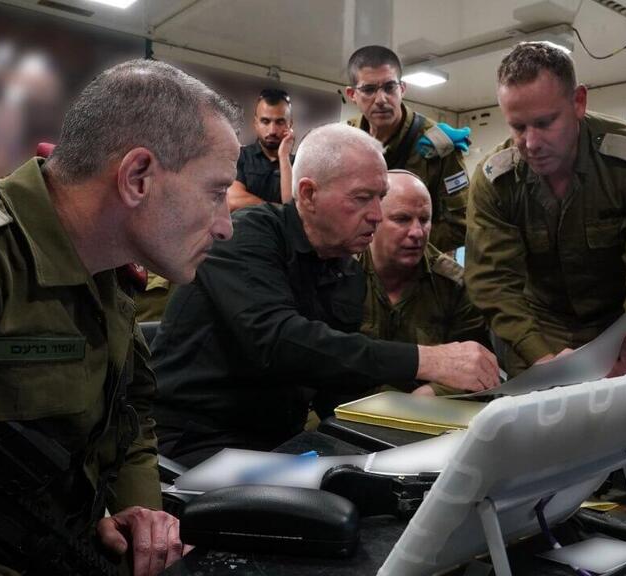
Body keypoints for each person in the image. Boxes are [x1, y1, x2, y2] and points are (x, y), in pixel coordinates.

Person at [0, 59, 239, 575]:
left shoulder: (105, 262)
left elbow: (130, 417)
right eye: (216, 191)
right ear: (137, 176)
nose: (226, 226)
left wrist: (141, 518)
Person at [152, 123, 499, 468]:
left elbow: (334, 379)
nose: (377, 216)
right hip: (198, 441)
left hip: (278, 444)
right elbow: (279, 341)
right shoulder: (246, 237)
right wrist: (428, 360)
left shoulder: (343, 269)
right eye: (363, 198)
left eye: (380, 198)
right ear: (307, 194)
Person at [466, 42, 626, 378]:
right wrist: (540, 357)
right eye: (518, 127)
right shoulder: (496, 181)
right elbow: (495, 285)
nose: (532, 143)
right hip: (539, 327)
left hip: (622, 323)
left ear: (579, 102)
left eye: (545, 123)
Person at [361, 170, 491, 395]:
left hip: (426, 412)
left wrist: (433, 393)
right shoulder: (340, 271)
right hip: (344, 409)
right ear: (374, 219)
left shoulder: (453, 284)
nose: (417, 232)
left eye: (424, 220)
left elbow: (478, 366)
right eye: (401, 219)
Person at [345, 45, 471, 252]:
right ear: (352, 94)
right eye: (368, 90)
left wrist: (396, 243)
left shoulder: (438, 145)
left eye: (389, 87)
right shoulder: (345, 140)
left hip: (417, 268)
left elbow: (459, 226)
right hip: (357, 265)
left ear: (402, 89)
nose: (381, 99)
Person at [227, 88, 296, 210]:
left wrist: (284, 157)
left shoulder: (298, 164)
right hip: (243, 228)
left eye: (280, 122)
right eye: (265, 121)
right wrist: (278, 210)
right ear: (255, 123)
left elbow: (292, 206)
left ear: (290, 125)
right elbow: (233, 199)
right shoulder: (240, 156)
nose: (272, 130)